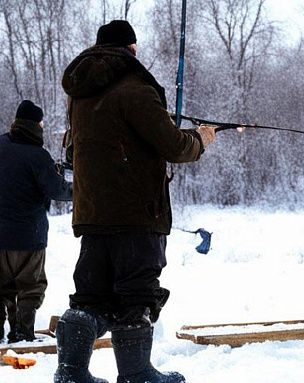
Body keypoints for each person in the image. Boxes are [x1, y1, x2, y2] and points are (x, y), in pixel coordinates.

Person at [53, 20, 216, 383]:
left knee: (90, 296)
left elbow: (73, 148)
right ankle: (137, 374)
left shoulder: (80, 95)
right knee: (137, 296)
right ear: (130, 49)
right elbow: (173, 146)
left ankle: (71, 373)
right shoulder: (135, 88)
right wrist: (201, 138)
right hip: (137, 214)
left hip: (92, 214)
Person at [0, 100, 73, 343]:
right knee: (30, 288)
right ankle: (22, 334)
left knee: (2, 288)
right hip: (29, 238)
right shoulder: (38, 156)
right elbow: (59, 191)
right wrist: (81, 186)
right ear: (36, 124)